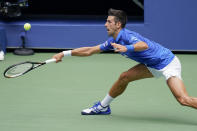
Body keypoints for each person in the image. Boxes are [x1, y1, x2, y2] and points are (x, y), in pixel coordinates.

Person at [53, 8, 197, 115]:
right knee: (124, 77)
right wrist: (64, 53)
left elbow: (143, 45)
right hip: (152, 65)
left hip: (167, 63)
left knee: (183, 100)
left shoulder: (127, 36)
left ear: (118, 24)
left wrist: (126, 47)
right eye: (106, 21)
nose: (105, 24)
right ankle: (103, 107)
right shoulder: (113, 41)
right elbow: (89, 50)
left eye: (109, 22)